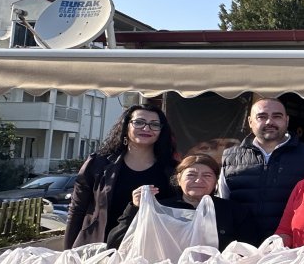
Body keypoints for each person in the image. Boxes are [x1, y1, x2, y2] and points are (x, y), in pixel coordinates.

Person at [65, 104, 179, 248]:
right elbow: (77, 209)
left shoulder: (171, 169)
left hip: (150, 250)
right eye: (139, 122)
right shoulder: (98, 164)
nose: (146, 128)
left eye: (154, 124)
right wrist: (67, 252)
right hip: (101, 248)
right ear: (126, 127)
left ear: (161, 131)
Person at [217, 98, 304, 245]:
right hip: (242, 248)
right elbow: (223, 204)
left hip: (290, 248)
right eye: (262, 117)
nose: (269, 122)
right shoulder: (230, 157)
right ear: (250, 121)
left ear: (287, 120)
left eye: (277, 116)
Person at [105, 153, 255, 250]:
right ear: (178, 178)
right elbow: (116, 244)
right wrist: (135, 208)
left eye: (207, 176)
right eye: (191, 174)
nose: (198, 180)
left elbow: (248, 251)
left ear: (216, 181)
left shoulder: (234, 212)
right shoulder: (161, 209)